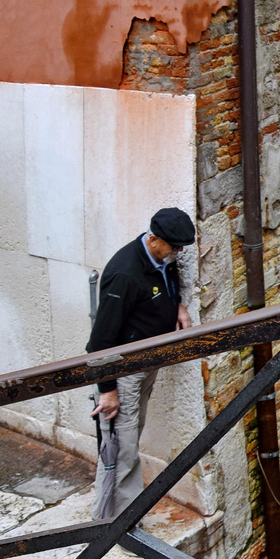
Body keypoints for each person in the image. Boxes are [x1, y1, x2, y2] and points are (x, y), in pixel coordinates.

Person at [87, 208, 195, 520]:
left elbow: (168, 282)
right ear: (154, 239)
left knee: (131, 432)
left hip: (149, 360)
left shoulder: (161, 260)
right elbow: (100, 341)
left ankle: (115, 513)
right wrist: (107, 390)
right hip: (125, 369)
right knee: (123, 443)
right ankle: (122, 523)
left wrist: (179, 307)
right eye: (174, 247)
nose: (179, 253)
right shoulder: (126, 274)